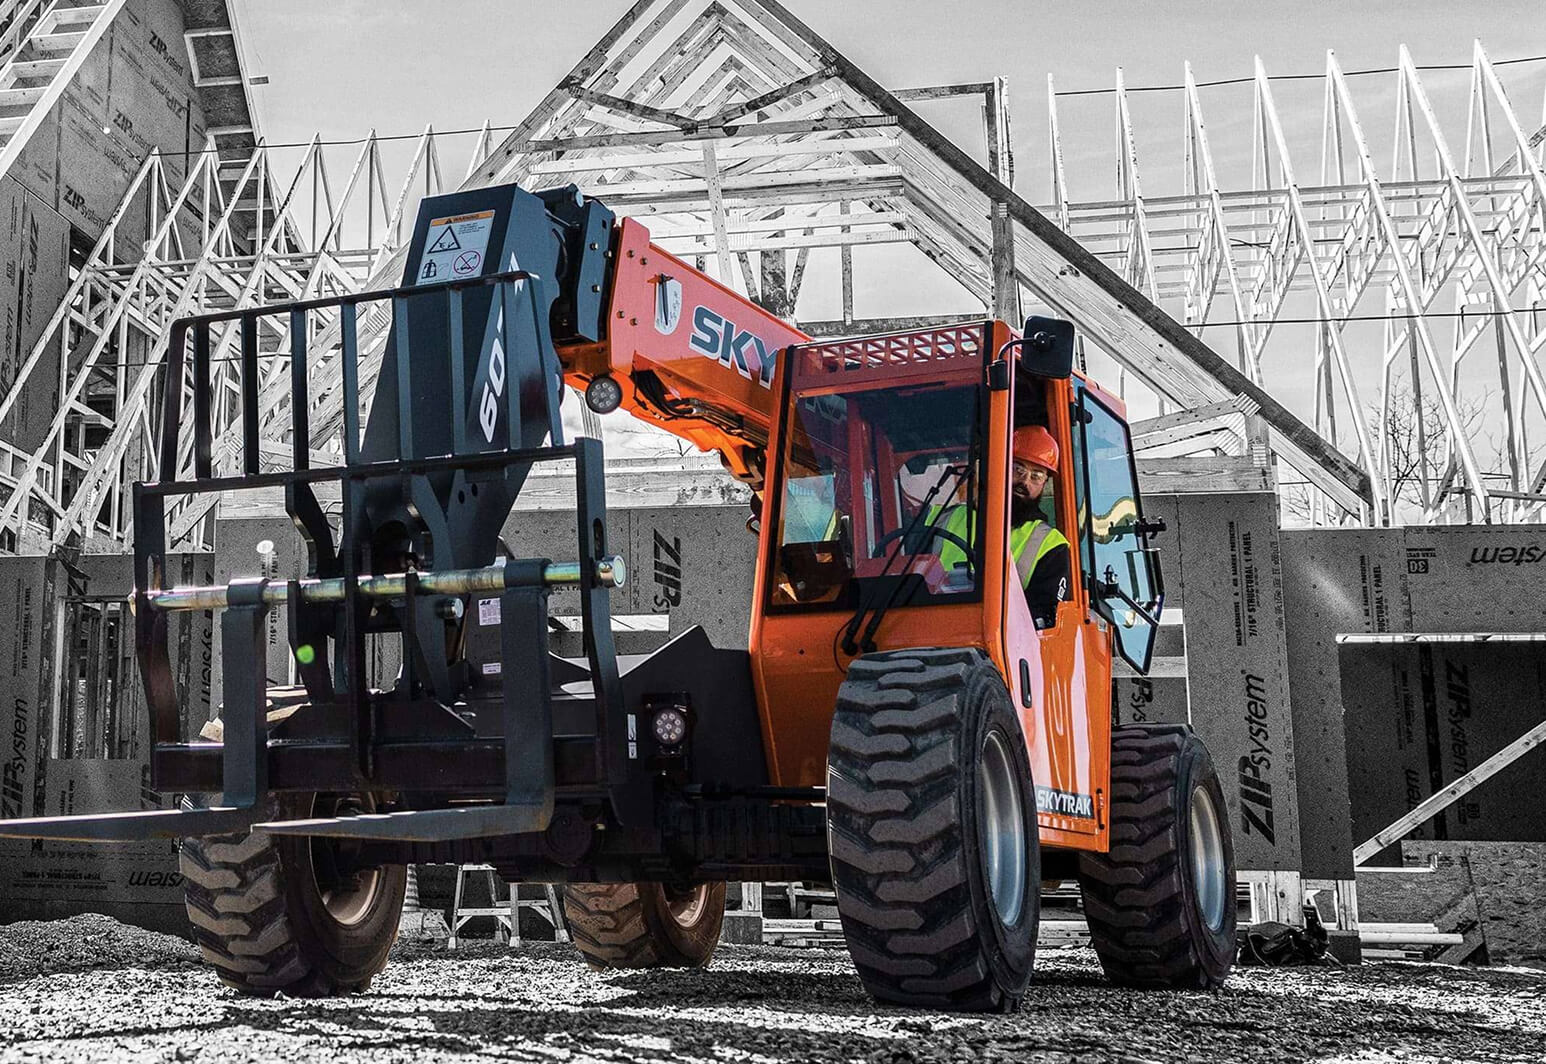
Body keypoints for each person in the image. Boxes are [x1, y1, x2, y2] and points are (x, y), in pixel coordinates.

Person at [930, 425, 1070, 628]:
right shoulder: (942, 518)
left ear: (1044, 483)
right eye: (1017, 469)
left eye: (1036, 475)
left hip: (999, 647)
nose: (1024, 481)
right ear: (999, 466)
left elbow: (1045, 615)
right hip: (929, 630)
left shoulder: (1051, 545)